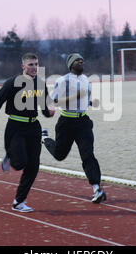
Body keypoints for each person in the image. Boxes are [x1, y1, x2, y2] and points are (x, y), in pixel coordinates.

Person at [0, 53, 54, 213]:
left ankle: (18, 202)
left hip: (34, 128)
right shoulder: (12, 83)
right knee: (20, 163)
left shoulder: (41, 84)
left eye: (36, 64)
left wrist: (49, 112)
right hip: (15, 127)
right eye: (30, 64)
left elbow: (44, 108)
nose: (34, 68)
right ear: (23, 66)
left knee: (33, 167)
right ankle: (10, 156)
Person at [41, 53, 106, 204]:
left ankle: (97, 189)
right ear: (71, 64)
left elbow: (85, 98)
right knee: (60, 155)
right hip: (66, 122)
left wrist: (91, 102)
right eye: (77, 60)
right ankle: (44, 138)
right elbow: (53, 101)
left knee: (88, 155)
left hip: (83, 122)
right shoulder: (62, 81)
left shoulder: (85, 79)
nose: (81, 61)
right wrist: (74, 97)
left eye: (82, 59)